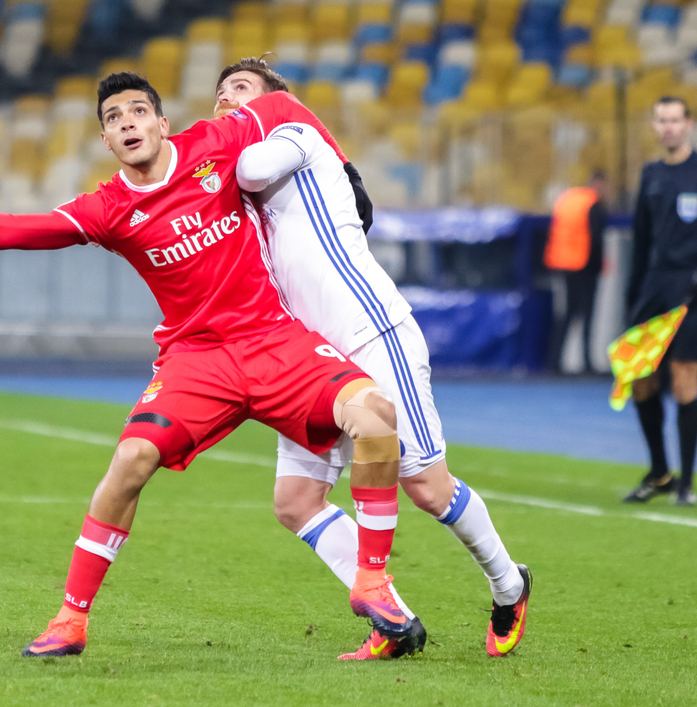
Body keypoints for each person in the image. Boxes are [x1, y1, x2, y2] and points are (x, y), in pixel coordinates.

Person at [0, 73, 420, 659]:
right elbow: (16, 231)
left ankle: (372, 581)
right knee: (130, 459)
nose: (127, 122)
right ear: (105, 139)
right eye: (114, 118)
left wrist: (345, 165)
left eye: (137, 111)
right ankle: (70, 621)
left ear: (161, 123)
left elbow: (280, 102)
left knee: (376, 413)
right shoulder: (108, 208)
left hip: (273, 339)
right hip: (196, 360)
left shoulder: (217, 143)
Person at [217, 57, 531, 659]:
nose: (227, 100)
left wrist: (236, 135)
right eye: (220, 93)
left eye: (241, 89)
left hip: (371, 334)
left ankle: (509, 585)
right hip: (312, 361)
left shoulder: (293, 135)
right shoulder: (239, 186)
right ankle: (395, 620)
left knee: (428, 488)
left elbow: (253, 167)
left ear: (276, 100)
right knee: (296, 502)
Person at [624, 96, 697, 507]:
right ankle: (660, 472)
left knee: (685, 379)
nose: (668, 127)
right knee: (640, 379)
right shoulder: (650, 175)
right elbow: (641, 242)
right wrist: (632, 301)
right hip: (655, 288)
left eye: (675, 120)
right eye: (661, 120)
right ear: (655, 125)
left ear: (689, 124)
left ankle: (686, 482)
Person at [544, 171, 608, 374]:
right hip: (584, 265)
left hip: (562, 264)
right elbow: (595, 237)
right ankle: (587, 362)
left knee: (567, 313)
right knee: (587, 314)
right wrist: (600, 265)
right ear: (598, 184)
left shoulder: (568, 199)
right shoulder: (592, 203)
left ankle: (554, 361)